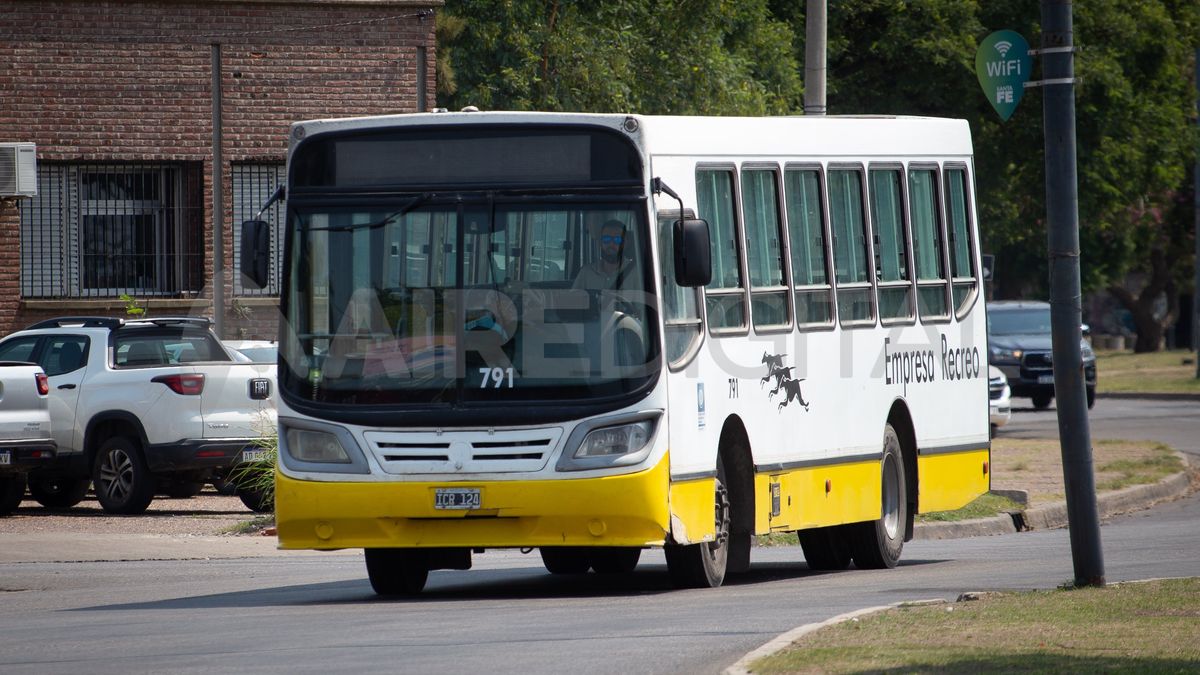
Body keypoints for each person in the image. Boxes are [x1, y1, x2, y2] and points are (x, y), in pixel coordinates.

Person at [573, 219, 635, 291]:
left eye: (617, 239)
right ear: (601, 243)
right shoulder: (586, 273)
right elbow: (572, 300)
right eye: (606, 239)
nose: (611, 244)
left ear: (625, 243)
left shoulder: (636, 273)